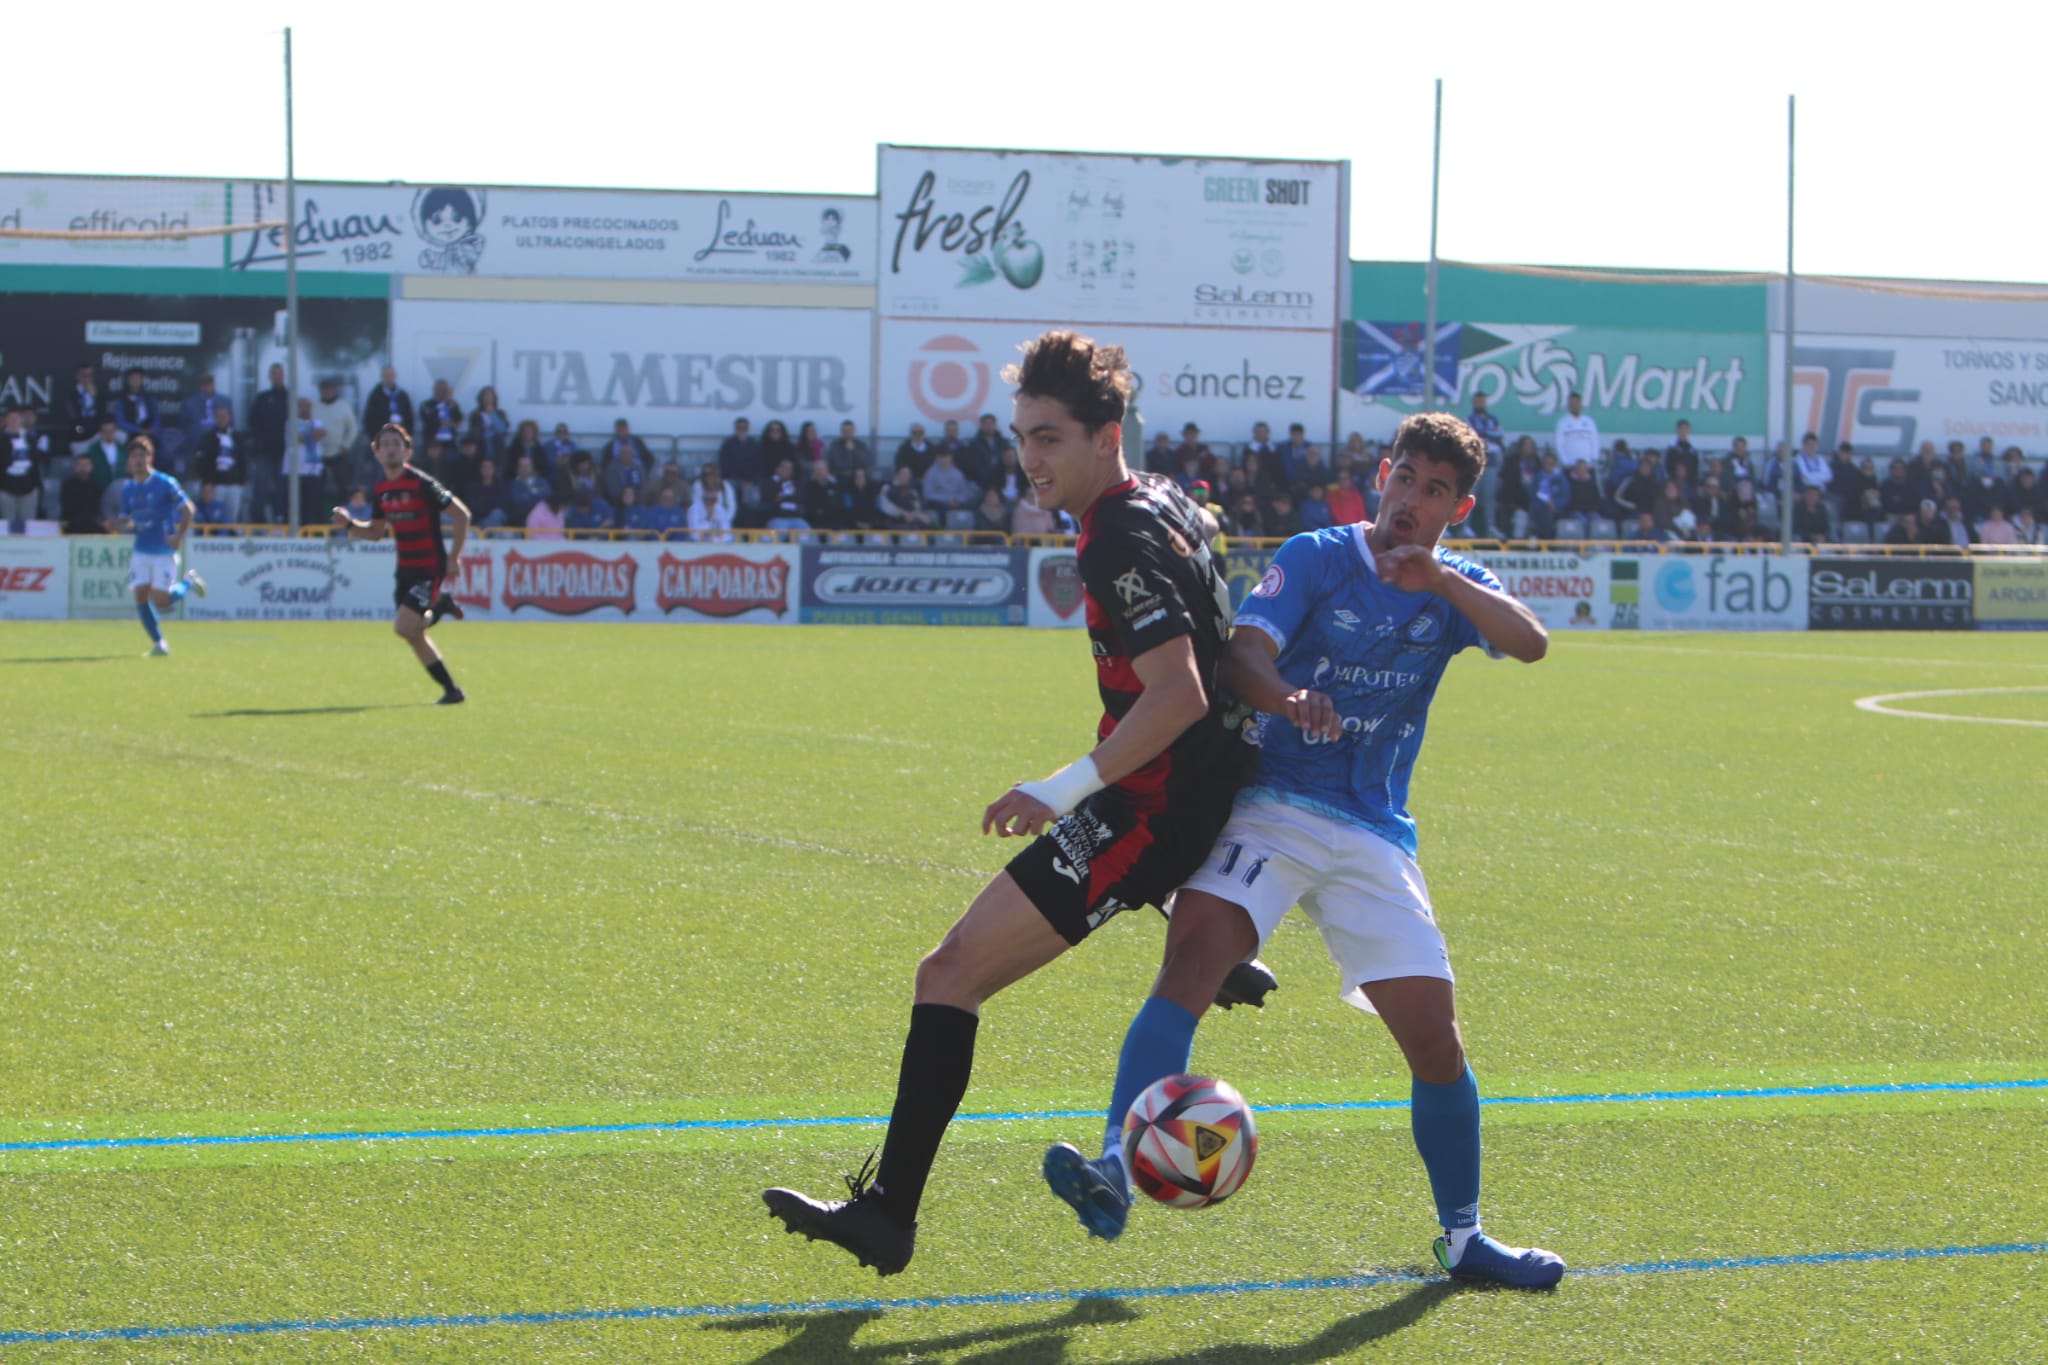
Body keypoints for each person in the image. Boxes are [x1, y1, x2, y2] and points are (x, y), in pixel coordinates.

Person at [764, 331, 1267, 1277]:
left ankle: (888, 1218)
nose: (1029, 458)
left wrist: (1063, 788)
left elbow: (1182, 692)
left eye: (1049, 437)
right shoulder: (1166, 500)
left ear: (1105, 434)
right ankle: (1189, 910)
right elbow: (1216, 656)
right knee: (949, 967)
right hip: (1175, 803)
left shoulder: (1118, 531)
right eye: (1022, 436)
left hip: (1143, 810)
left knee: (949, 973)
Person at [1040, 411, 1562, 1290]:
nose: (1412, 500)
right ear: (1384, 473)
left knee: (1436, 1043)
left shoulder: (1452, 582)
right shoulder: (1320, 553)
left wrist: (1443, 583)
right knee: (1193, 958)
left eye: (1436, 491)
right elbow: (1241, 657)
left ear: (1457, 506)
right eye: (1405, 479)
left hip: (1371, 829)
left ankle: (1466, 1239)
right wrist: (1288, 699)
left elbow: (1531, 642)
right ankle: (1114, 1169)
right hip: (1272, 803)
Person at [331, 424, 470, 705]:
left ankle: (440, 606)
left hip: (429, 567)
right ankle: (452, 691)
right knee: (413, 633)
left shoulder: (423, 484)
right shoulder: (381, 490)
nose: (391, 448)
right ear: (377, 453)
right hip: (404, 570)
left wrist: (453, 557)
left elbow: (462, 515)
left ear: (407, 451)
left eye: (397, 443)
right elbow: (375, 532)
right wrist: (348, 524)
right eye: (386, 444)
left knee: (403, 627)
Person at [114, 436, 207, 656]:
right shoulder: (128, 489)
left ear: (150, 458)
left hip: (164, 550)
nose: (137, 460)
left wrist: (179, 536)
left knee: (162, 602)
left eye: (142, 456)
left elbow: (189, 509)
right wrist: (120, 524)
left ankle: (188, 582)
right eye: (134, 456)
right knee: (140, 597)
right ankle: (159, 644)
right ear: (128, 462)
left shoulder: (165, 483)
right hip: (141, 550)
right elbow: (127, 519)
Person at [193, 404, 247, 525]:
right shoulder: (208, 438)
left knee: (232, 518)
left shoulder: (238, 437)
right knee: (215, 518)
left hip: (234, 485)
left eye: (224, 415)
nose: (222, 419)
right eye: (218, 416)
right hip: (216, 486)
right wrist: (207, 482)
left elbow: (243, 459)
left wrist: (242, 481)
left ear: (229, 417)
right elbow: (202, 462)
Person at [60, 455, 105, 534]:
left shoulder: (96, 485)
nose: (83, 468)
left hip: (92, 522)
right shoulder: (68, 485)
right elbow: (66, 506)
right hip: (72, 523)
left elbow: (97, 507)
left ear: (91, 467)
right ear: (75, 467)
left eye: (86, 465)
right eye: (80, 465)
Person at [1553, 391, 1598, 469]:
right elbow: (1559, 445)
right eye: (1572, 403)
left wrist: (1594, 460)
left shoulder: (1589, 422)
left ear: (1580, 404)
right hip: (1570, 465)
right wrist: (1565, 462)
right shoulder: (1562, 423)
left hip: (1587, 465)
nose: (1575, 405)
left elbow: (1595, 442)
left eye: (1577, 402)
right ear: (1569, 405)